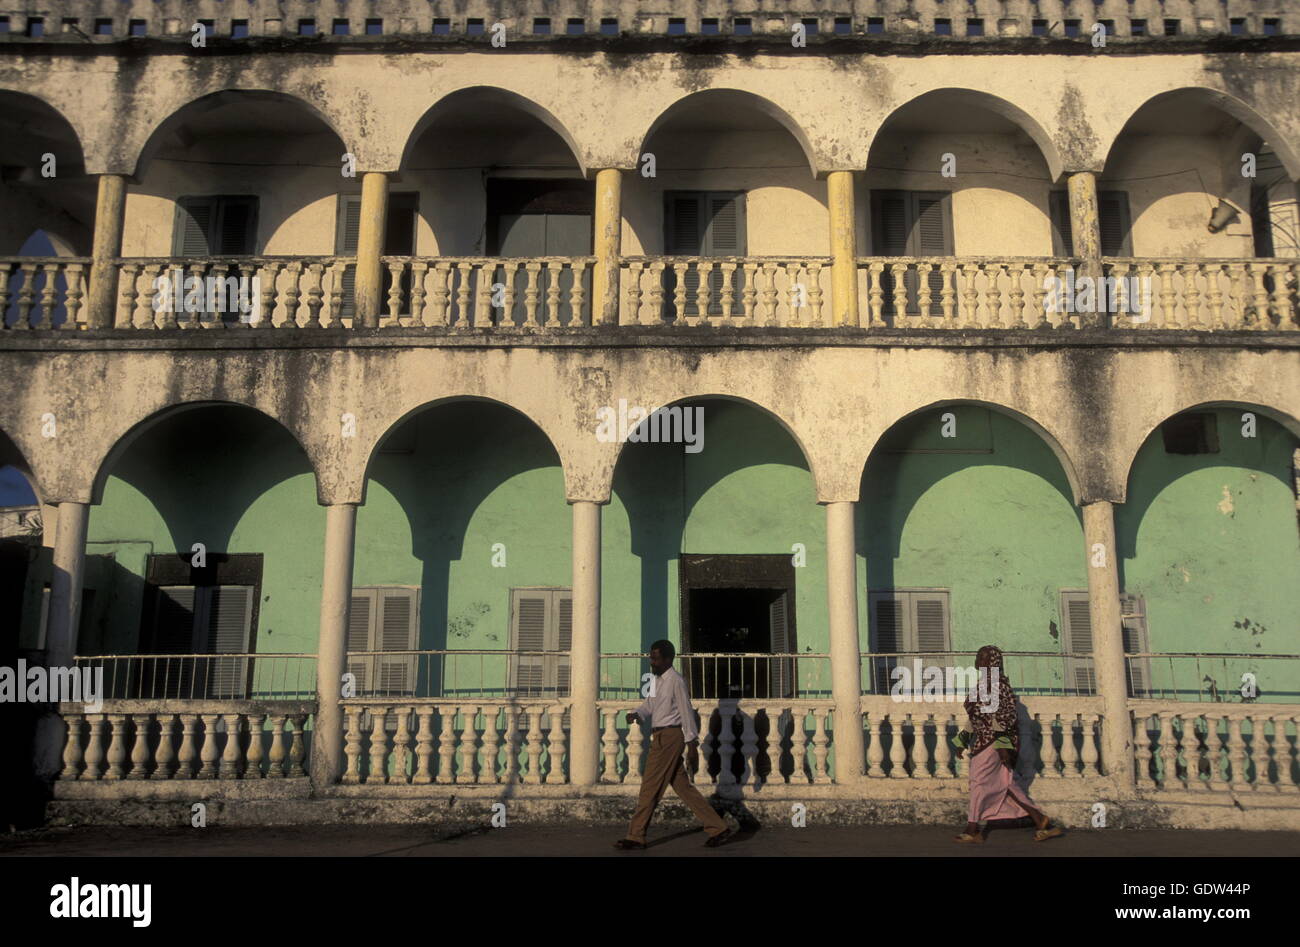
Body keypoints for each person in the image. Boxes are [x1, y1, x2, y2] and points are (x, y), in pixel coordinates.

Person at [614, 640, 733, 850]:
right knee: (683, 787)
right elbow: (649, 705)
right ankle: (718, 827)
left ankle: (636, 835)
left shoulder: (676, 681)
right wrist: (637, 714)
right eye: (651, 657)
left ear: (668, 659)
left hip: (670, 737)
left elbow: (686, 712)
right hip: (659, 735)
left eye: (656, 658)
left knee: (650, 787)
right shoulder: (655, 680)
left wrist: (692, 744)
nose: (652, 662)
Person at [953, 645, 1065, 844]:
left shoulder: (998, 686)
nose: (980, 660)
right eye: (979, 656)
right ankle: (1042, 821)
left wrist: (1003, 746)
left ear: (995, 662)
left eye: (985, 657)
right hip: (984, 741)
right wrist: (961, 740)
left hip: (994, 742)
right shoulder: (983, 685)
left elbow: (1003, 718)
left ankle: (972, 828)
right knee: (1006, 783)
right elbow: (977, 718)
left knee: (978, 781)